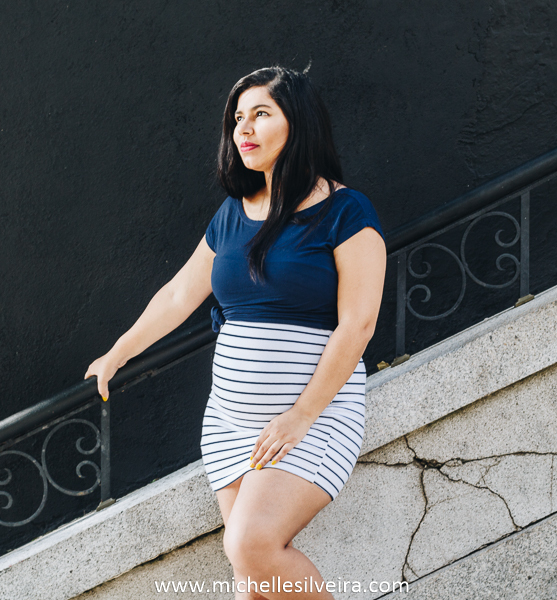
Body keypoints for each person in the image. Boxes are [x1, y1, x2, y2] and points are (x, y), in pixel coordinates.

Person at [85, 66, 386, 599]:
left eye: (261, 114)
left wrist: (302, 414)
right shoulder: (231, 214)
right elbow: (180, 295)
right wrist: (118, 352)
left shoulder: (346, 211)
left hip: (311, 418)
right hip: (230, 422)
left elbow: (358, 323)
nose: (243, 129)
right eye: (237, 119)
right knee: (253, 581)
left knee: (251, 545)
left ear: (299, 123)